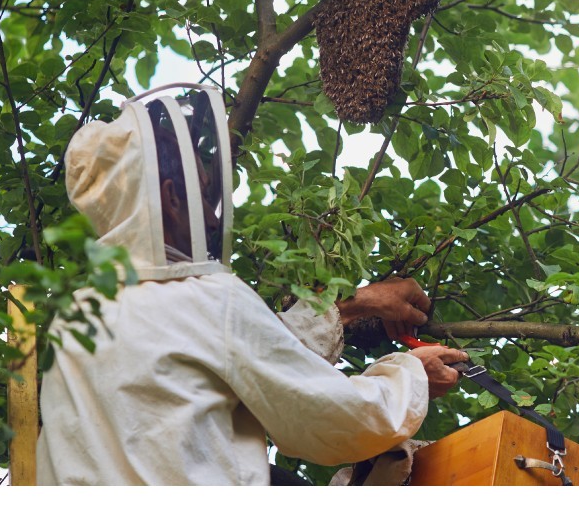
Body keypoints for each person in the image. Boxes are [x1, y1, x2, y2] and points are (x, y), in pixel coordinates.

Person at [35, 84, 468, 485]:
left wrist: (357, 304)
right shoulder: (204, 299)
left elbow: (242, 355)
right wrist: (414, 375)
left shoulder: (75, 319)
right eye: (203, 195)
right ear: (168, 197)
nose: (211, 213)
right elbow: (331, 417)